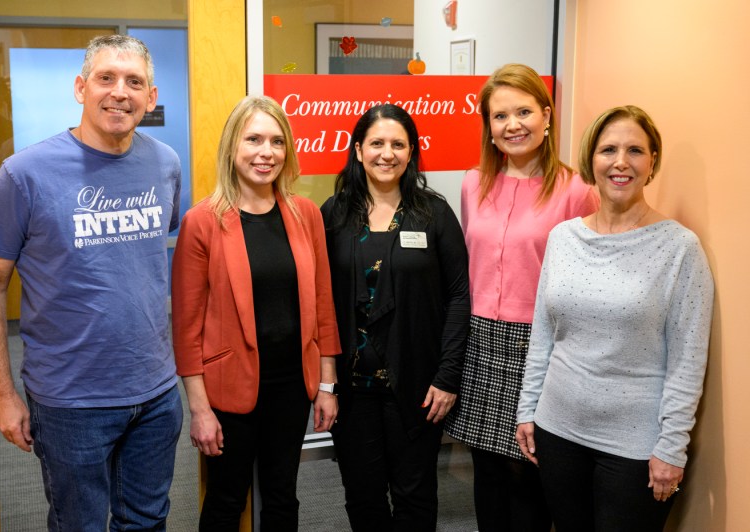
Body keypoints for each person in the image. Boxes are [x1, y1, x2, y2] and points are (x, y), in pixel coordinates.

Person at [0, 35, 183, 530]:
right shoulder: (23, 174)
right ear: (81, 87)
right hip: (70, 401)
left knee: (148, 522)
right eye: (106, 78)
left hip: (155, 392)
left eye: (135, 82)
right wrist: (3, 395)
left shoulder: (165, 165)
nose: (119, 92)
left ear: (150, 98)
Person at [515, 105, 714, 531]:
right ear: (591, 160)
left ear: (652, 162)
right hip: (557, 428)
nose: (621, 162)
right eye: (608, 149)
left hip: (635, 445)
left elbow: (687, 361)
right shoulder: (563, 238)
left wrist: (672, 447)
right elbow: (544, 334)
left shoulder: (680, 248)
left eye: (635, 151)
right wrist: (526, 409)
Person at [171, 95, 341, 531]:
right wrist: (200, 410)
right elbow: (186, 328)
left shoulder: (305, 215)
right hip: (228, 389)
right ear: (233, 147)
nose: (266, 153)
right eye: (254, 140)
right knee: (227, 500)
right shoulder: (202, 221)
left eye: (276, 141)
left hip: (291, 384)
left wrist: (326, 384)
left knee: (283, 495)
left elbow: (323, 304)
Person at [443, 63, 598, 531]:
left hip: (539, 344)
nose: (513, 125)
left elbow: (586, 279)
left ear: (547, 116)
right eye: (499, 116)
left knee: (527, 465)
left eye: (525, 112)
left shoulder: (576, 189)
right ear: (488, 127)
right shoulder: (474, 183)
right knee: (485, 467)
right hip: (480, 338)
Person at [321, 103, 470, 531]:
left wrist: (447, 377)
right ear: (357, 150)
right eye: (377, 143)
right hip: (353, 390)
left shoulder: (433, 213)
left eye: (398, 144)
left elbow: (459, 296)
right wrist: (324, 381)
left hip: (417, 385)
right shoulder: (334, 215)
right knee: (363, 499)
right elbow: (320, 302)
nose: (387, 154)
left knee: (416, 496)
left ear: (411, 152)